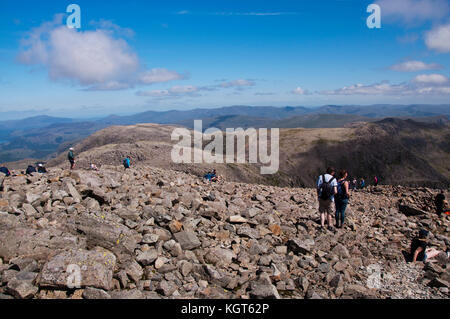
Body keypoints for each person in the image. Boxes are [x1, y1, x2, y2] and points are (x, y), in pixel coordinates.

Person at [317, 167, 338, 231]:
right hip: (330, 199)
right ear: (332, 172)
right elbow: (335, 191)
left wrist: (318, 195)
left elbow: (318, 188)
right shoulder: (333, 179)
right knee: (329, 213)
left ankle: (322, 226)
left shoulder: (321, 177)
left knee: (322, 212)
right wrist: (331, 195)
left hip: (321, 197)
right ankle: (329, 226)